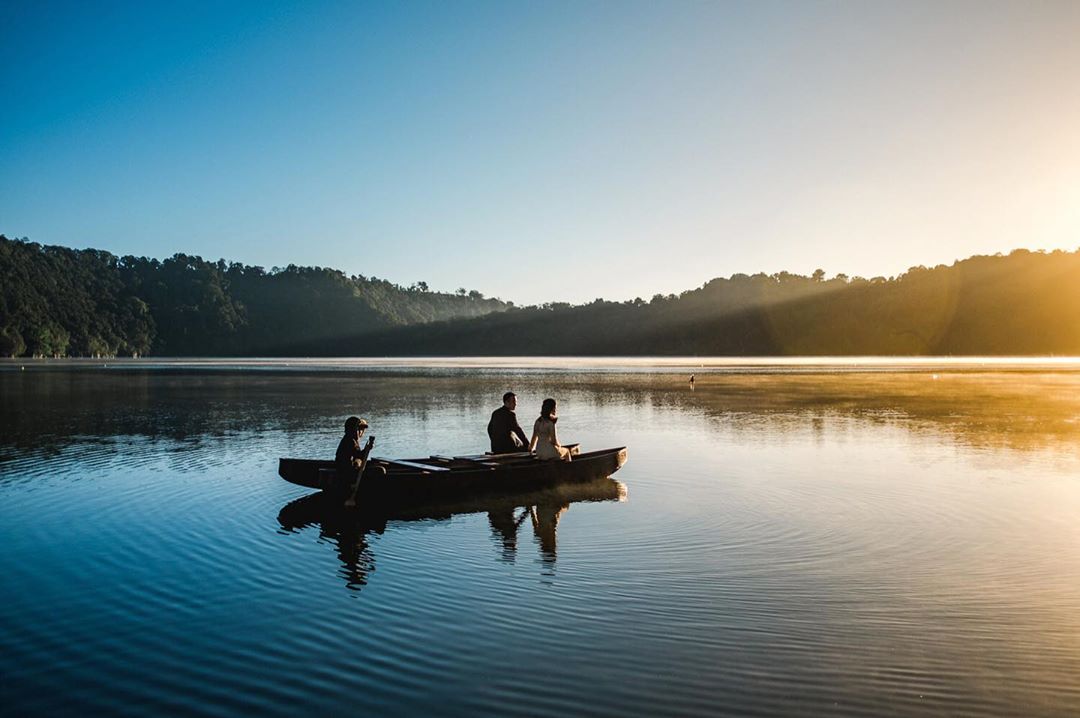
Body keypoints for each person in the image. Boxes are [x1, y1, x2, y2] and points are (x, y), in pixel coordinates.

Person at [336, 416, 375, 507]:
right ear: (354, 429)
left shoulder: (349, 439)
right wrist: (367, 449)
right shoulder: (350, 441)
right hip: (347, 472)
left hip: (347, 469)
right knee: (380, 470)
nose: (361, 432)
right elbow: (359, 455)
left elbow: (358, 456)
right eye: (360, 429)